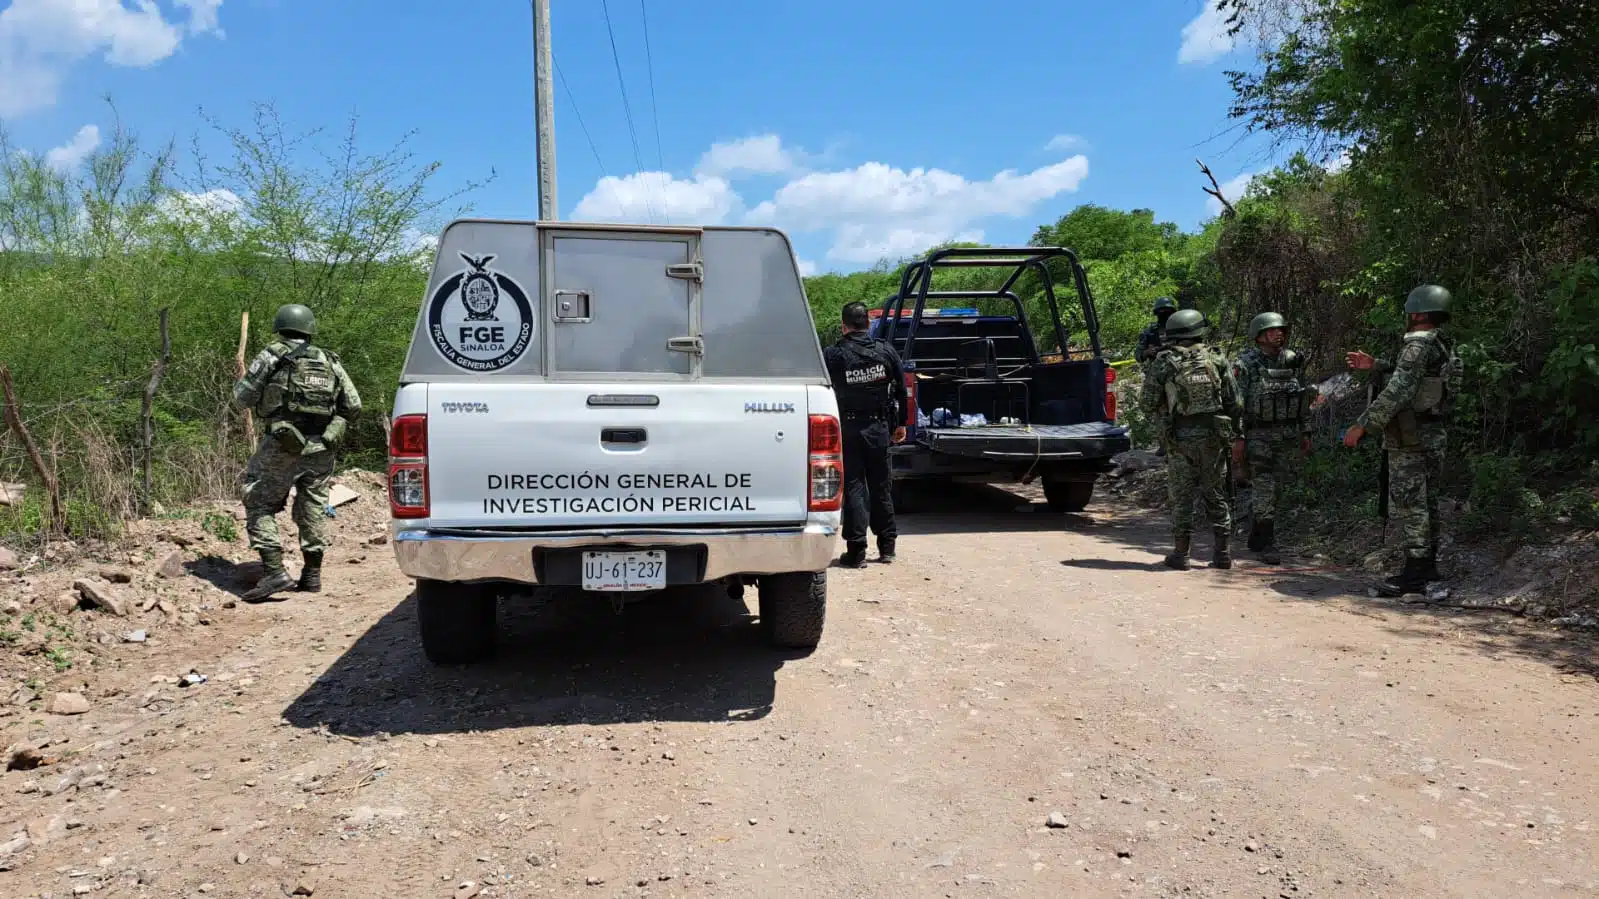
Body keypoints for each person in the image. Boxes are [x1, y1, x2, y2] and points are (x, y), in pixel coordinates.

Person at [233, 304, 362, 601]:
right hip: (321, 448)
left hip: (281, 443)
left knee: (259, 501)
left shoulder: (271, 355)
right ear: (309, 329)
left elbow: (242, 398)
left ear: (280, 326)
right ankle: (312, 575)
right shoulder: (329, 360)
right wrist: (334, 427)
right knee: (313, 506)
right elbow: (353, 406)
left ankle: (274, 572)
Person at [1342, 284, 1461, 597]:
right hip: (1433, 433)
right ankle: (1428, 565)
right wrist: (1378, 365)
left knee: (1411, 504)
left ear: (1418, 312)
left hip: (1411, 436)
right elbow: (1414, 377)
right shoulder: (1440, 344)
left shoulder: (1416, 345)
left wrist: (1362, 425)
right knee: (1428, 501)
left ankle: (1414, 574)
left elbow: (1399, 391)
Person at [1138, 308, 1243, 570]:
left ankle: (1181, 554)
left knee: (1182, 496)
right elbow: (1235, 402)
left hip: (1179, 439)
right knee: (1216, 493)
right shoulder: (1217, 359)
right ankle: (1222, 554)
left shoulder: (1164, 361)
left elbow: (1146, 403)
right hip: (1213, 438)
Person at [824, 301, 908, 567]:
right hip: (880, 428)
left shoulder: (834, 355)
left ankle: (857, 551)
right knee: (882, 485)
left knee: (854, 487)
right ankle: (887, 548)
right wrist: (901, 424)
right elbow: (902, 389)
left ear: (843, 326)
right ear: (868, 324)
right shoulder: (886, 351)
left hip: (849, 429)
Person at [1232, 311, 1317, 564]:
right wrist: (1237, 438)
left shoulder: (1291, 361)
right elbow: (1237, 403)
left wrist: (1306, 430)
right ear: (1259, 336)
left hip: (1288, 433)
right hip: (1258, 434)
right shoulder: (1246, 364)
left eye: (1281, 330)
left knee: (1276, 487)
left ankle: (1257, 533)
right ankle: (1268, 542)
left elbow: (1302, 399)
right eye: (1272, 330)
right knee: (1265, 484)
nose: (1279, 334)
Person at [1134, 297, 1178, 364]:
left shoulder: (1180, 327)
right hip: (1157, 369)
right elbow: (1137, 355)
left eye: (1167, 311)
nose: (1164, 314)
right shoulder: (1149, 332)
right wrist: (1147, 352)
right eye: (1161, 312)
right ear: (1156, 313)